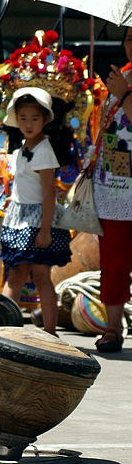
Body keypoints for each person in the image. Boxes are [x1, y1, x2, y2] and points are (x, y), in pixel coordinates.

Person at [0, 87, 71, 336]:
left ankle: (50, 333)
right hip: (20, 219)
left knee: (41, 276)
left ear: (44, 120)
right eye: (23, 118)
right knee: (16, 274)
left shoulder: (43, 151)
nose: (28, 124)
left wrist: (45, 230)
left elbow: (49, 193)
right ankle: (1, 329)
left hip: (39, 222)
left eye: (35, 118)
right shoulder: (22, 147)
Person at [92, 33, 132, 353]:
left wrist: (125, 94)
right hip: (115, 185)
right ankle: (112, 328)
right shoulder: (122, 74)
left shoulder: (123, 83)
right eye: (130, 37)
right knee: (114, 261)